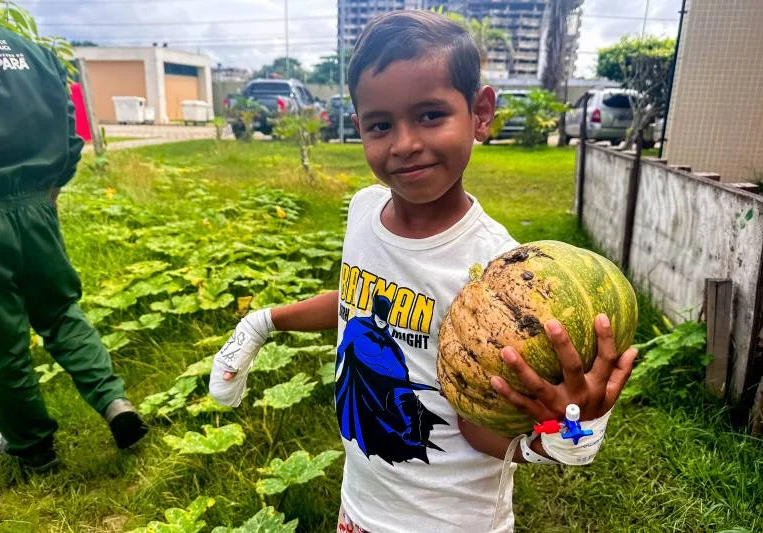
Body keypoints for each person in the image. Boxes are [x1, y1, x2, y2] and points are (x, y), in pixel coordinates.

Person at [210, 10, 637, 532]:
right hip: (362, 505)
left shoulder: (502, 275)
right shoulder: (365, 210)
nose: (404, 143)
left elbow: (482, 431)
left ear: (480, 113)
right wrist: (263, 323)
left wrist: (564, 435)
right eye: (380, 124)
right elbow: (353, 302)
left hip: (449, 521)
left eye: (431, 115)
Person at [0, 0, 148, 473]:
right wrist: (52, 184)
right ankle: (113, 401)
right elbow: (71, 125)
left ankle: (32, 447)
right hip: (37, 205)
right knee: (61, 311)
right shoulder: (33, 51)